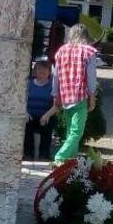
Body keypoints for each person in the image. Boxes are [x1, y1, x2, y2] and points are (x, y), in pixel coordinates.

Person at [51, 24, 98, 164]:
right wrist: (92, 95)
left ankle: (69, 163)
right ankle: (60, 157)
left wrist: (55, 94)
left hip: (65, 95)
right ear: (86, 36)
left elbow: (56, 75)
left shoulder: (61, 51)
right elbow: (91, 77)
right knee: (77, 132)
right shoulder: (89, 51)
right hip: (80, 95)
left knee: (70, 131)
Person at [24, 58, 59, 161]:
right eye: (39, 69)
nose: (42, 72)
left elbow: (56, 104)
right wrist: (25, 112)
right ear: (34, 72)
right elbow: (21, 101)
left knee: (47, 127)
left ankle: (44, 156)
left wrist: (47, 115)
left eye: (45, 70)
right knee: (27, 128)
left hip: (46, 115)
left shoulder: (52, 85)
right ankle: (27, 155)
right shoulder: (29, 84)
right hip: (29, 115)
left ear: (49, 72)